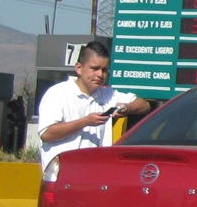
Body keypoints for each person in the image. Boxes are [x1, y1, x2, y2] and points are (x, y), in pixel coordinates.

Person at [37, 40, 151, 168]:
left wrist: (126, 108)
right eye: (94, 69)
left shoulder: (108, 95)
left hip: (94, 174)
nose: (100, 75)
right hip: (62, 175)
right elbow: (47, 134)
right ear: (79, 68)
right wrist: (85, 121)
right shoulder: (58, 93)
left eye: (104, 70)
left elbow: (144, 105)